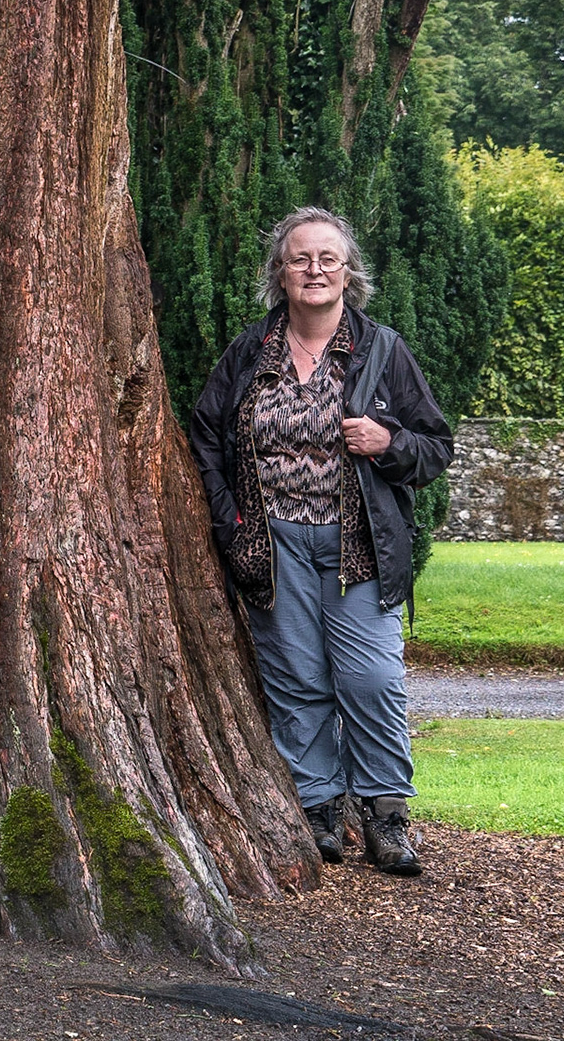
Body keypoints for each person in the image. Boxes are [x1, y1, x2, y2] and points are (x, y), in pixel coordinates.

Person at [189, 207, 453, 876]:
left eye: (327, 258)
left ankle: (386, 816)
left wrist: (389, 442)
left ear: (347, 271)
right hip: (273, 546)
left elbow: (435, 446)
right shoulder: (250, 353)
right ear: (281, 272)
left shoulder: (383, 351)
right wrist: (233, 525)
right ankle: (319, 809)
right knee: (298, 680)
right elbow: (206, 441)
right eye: (300, 258)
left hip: (357, 545)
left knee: (372, 679)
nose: (314, 269)